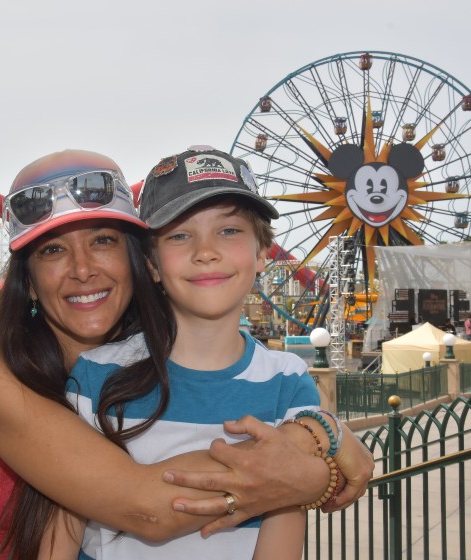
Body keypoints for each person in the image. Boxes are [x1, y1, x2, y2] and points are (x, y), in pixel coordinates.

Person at [0, 150, 373, 560]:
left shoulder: (140, 353)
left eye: (103, 241)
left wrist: (310, 454)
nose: (82, 269)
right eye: (52, 251)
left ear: (137, 258)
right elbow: (147, 508)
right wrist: (315, 442)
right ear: (28, 278)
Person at [65, 147, 339, 559]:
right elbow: (62, 527)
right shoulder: (94, 376)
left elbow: (283, 528)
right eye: (179, 235)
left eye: (228, 230)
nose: (206, 251)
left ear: (262, 254)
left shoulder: (287, 381)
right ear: (152, 264)